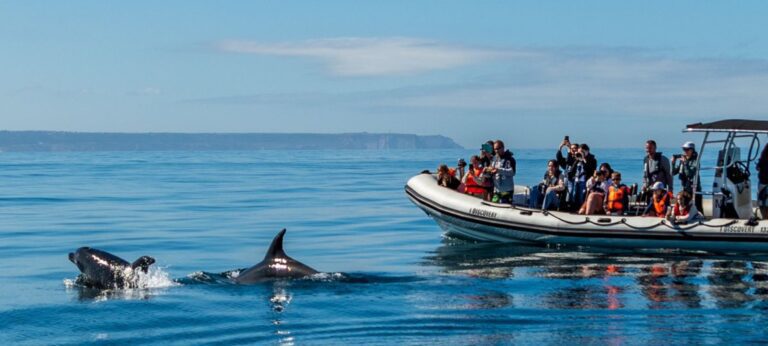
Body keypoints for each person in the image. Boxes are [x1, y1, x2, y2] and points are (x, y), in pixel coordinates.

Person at [672, 141, 703, 212]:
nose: (685, 151)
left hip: (694, 188)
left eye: (687, 149)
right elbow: (673, 172)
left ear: (692, 150)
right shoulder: (683, 160)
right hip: (685, 187)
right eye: (684, 149)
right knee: (685, 206)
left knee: (698, 207)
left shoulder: (695, 161)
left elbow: (690, 174)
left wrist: (685, 163)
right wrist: (673, 163)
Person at [758, 143, 768, 219]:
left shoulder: (764, 153)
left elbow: (758, 166)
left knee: (762, 202)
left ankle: (764, 218)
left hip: (763, 181)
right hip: (764, 181)